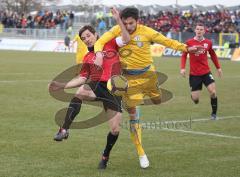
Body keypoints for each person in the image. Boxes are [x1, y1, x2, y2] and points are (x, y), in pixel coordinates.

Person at [93, 7, 202, 169]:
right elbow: (100, 41)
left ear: (138, 21)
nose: (128, 26)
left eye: (131, 23)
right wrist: (98, 53)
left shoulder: (147, 32)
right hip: (130, 80)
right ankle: (141, 152)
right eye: (125, 23)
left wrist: (186, 48)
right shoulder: (117, 30)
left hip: (149, 75)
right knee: (133, 115)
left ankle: (142, 102)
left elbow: (167, 41)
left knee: (157, 101)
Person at [49, 8, 130, 170]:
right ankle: (64, 128)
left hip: (113, 91)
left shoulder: (110, 43)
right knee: (81, 91)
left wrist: (118, 20)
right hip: (97, 87)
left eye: (88, 36)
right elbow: (82, 79)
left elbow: (126, 39)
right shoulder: (87, 57)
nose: (86, 39)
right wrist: (62, 86)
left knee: (114, 130)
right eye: (83, 38)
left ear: (95, 34)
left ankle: (105, 156)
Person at [180, 23, 222, 120]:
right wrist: (182, 68)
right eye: (197, 29)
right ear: (195, 30)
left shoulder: (208, 42)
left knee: (213, 92)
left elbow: (213, 55)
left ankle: (214, 114)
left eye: (201, 29)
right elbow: (183, 55)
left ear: (204, 31)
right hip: (194, 74)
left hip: (206, 72)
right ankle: (194, 98)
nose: (199, 31)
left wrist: (218, 68)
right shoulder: (189, 42)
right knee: (195, 98)